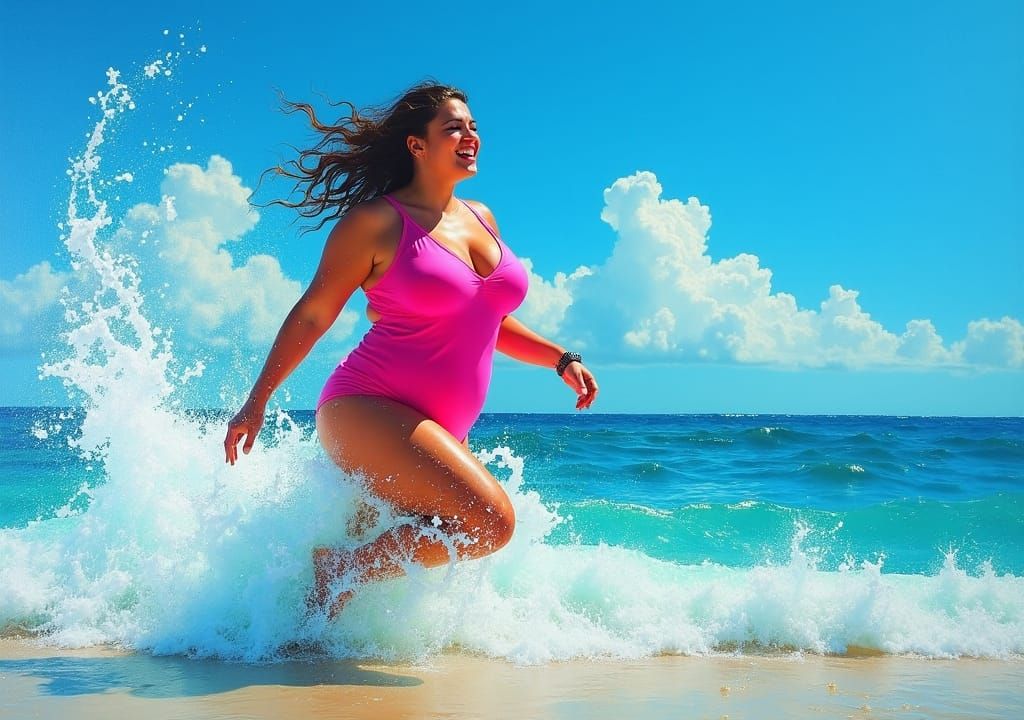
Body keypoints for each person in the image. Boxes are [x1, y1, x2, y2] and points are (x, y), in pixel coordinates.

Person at [223, 80, 600, 619]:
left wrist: (561, 357)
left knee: (356, 588)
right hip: (366, 409)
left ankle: (281, 649)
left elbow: (488, 316)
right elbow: (314, 312)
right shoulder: (375, 222)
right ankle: (339, 570)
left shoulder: (481, 218)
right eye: (453, 128)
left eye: (473, 127)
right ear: (416, 145)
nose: (469, 136)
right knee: (490, 522)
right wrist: (257, 401)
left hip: (438, 428)